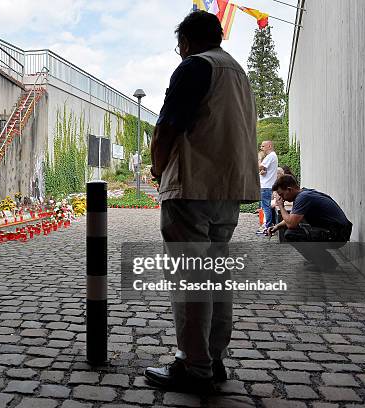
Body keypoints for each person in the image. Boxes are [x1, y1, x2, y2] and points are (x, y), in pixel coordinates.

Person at [148, 10, 259, 393]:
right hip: (227, 191)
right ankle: (213, 359)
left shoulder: (195, 66)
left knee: (190, 278)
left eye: (179, 44)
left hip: (192, 187)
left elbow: (167, 126)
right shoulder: (239, 74)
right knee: (216, 275)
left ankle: (194, 367)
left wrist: (157, 168)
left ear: (186, 41)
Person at [269, 175, 352, 271]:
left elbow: (291, 224)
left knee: (292, 234)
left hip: (338, 234)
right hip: (338, 231)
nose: (282, 199)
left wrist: (281, 207)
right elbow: (292, 217)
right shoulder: (303, 194)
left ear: (289, 189)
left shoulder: (303, 198)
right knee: (298, 230)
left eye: (282, 194)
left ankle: (328, 264)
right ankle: (319, 260)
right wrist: (277, 227)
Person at [257, 140, 278, 234]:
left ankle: (268, 227)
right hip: (268, 185)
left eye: (263, 146)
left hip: (266, 186)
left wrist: (259, 159)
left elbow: (260, 167)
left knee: (266, 207)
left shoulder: (270, 156)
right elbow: (264, 170)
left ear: (269, 146)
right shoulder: (272, 156)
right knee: (265, 206)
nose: (261, 148)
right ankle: (266, 226)